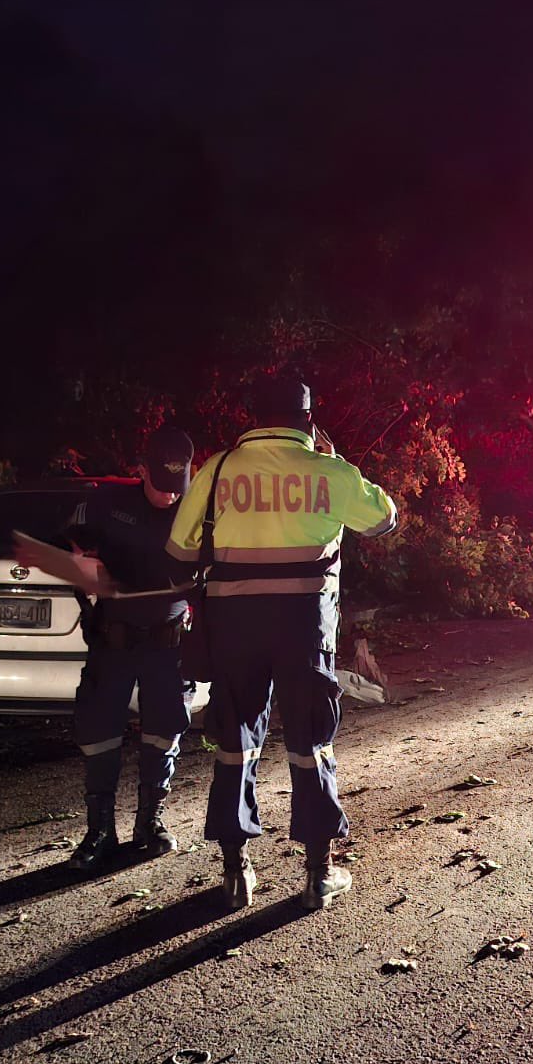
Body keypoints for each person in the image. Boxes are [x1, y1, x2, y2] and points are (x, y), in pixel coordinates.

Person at [166, 375, 398, 910]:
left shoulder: (217, 470)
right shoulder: (327, 470)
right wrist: (337, 464)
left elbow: (178, 551)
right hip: (303, 626)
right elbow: (385, 519)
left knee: (235, 741)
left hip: (233, 626)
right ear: (308, 421)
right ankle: (319, 874)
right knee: (311, 740)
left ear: (252, 420)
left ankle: (234, 873)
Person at [20, 427, 196, 872]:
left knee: (165, 730)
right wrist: (74, 563)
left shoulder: (198, 509)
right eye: (161, 485)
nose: (170, 497)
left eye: (179, 487)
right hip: (113, 639)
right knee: (99, 733)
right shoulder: (108, 503)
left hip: (168, 645)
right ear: (141, 470)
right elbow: (62, 544)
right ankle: (99, 832)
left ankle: (149, 823)